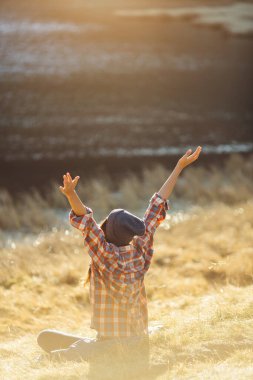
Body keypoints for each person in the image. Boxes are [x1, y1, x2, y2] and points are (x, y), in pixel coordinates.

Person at [37, 146, 202, 376]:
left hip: (114, 345)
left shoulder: (106, 256)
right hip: (137, 340)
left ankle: (89, 349)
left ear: (106, 232)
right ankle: (92, 347)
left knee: (47, 348)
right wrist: (179, 167)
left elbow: (86, 222)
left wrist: (71, 194)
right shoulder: (139, 250)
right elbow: (156, 206)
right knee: (48, 339)